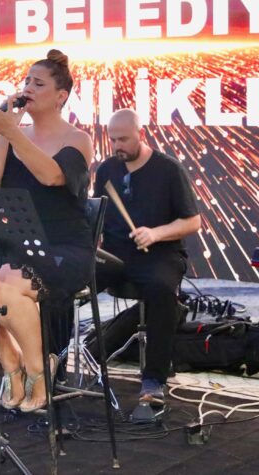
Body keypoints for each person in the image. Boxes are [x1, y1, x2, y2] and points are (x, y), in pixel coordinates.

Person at [0, 49, 94, 413]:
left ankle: (39, 369)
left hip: (64, 248)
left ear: (60, 96)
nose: (28, 88)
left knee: (4, 287)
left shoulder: (77, 139)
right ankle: (12, 365)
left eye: (39, 83)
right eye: (27, 81)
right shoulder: (14, 135)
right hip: (20, 246)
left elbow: (51, 176)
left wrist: (14, 134)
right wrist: (6, 133)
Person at [93, 109, 201, 407]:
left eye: (124, 139)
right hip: (115, 254)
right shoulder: (107, 170)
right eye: (113, 140)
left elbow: (193, 222)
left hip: (160, 254)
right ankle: (54, 366)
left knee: (161, 289)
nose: (117, 146)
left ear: (140, 134)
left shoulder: (168, 169)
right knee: (66, 281)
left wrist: (155, 233)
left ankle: (154, 379)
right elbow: (97, 215)